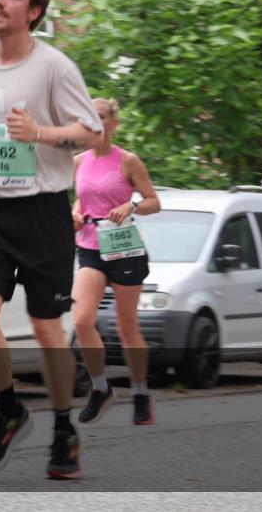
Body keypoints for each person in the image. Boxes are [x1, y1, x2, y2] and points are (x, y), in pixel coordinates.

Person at [0, 0, 102, 480]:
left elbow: (88, 132)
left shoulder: (54, 67)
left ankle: (63, 426)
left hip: (42, 210)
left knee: (45, 326)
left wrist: (39, 133)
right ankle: (9, 411)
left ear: (33, 11)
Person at [71, 98, 161, 426]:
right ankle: (100, 388)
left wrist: (133, 206)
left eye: (100, 116)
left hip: (123, 246)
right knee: (81, 320)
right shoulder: (78, 162)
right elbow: (82, 198)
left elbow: (154, 201)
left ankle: (140, 392)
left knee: (126, 326)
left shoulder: (128, 161)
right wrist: (75, 213)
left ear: (113, 123)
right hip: (90, 247)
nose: (94, 122)